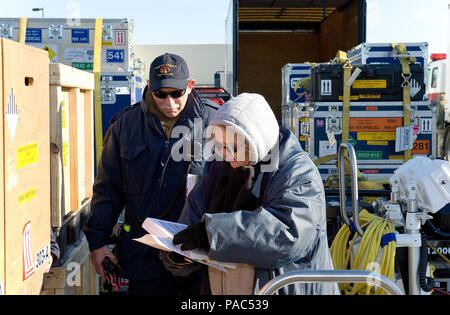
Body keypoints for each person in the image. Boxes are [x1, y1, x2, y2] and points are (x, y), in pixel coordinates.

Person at [166, 93, 339, 295]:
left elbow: (288, 234)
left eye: (236, 147)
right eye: (220, 146)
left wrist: (211, 234)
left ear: (258, 138)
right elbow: (192, 223)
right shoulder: (217, 169)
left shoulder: (297, 172)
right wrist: (178, 254)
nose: (228, 155)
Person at [83, 53, 219, 295]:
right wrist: (98, 243)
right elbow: (108, 189)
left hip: (198, 261)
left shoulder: (215, 124)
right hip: (144, 261)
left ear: (190, 86)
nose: (169, 102)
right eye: (161, 94)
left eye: (177, 93)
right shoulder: (125, 126)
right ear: (149, 87)